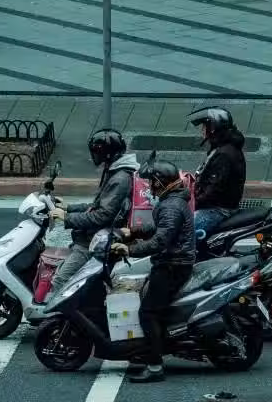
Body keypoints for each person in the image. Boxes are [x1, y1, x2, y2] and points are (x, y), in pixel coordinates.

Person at [111, 154, 196, 383]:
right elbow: (159, 227)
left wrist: (129, 250)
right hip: (173, 263)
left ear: (160, 182)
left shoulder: (171, 206)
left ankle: (155, 366)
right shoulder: (173, 201)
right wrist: (133, 231)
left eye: (151, 182)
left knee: (148, 312)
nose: (148, 186)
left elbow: (160, 241)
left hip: (172, 266)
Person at [48, 130, 138, 292]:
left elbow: (103, 215)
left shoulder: (120, 178)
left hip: (94, 239)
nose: (93, 156)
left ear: (107, 153)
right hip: (96, 234)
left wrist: (66, 218)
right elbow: (99, 205)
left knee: (60, 280)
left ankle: (55, 309)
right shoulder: (116, 171)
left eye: (96, 152)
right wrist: (69, 207)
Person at [188, 106, 246, 239]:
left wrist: (193, 201)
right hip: (214, 206)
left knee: (183, 233)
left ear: (213, 127)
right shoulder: (222, 147)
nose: (202, 130)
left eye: (204, 126)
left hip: (217, 210)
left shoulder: (224, 154)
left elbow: (213, 189)